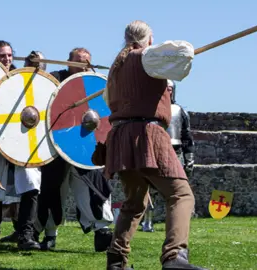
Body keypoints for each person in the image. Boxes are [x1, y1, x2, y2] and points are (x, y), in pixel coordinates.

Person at [93, 20, 206, 269]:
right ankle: (175, 256)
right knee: (181, 194)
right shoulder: (147, 56)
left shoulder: (116, 68)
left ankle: (116, 260)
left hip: (122, 136)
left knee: (135, 202)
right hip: (146, 133)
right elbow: (184, 51)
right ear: (150, 39)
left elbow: (109, 99)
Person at [34, 47, 114, 252]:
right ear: (68, 62)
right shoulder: (55, 80)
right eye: (77, 61)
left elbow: (107, 114)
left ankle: (102, 232)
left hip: (87, 147)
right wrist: (33, 67)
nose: (82, 65)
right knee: (53, 192)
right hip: (57, 145)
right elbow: (37, 90)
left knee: (93, 188)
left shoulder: (95, 83)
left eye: (86, 61)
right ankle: (49, 235)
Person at [0, 41, 42, 252]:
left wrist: (35, 69)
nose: (6, 59)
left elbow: (36, 98)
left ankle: (25, 235)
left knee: (31, 181)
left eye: (9, 55)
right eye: (1, 55)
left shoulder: (20, 79)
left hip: (21, 141)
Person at [140, 79, 196, 234]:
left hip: (175, 152)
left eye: (170, 88)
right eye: (165, 88)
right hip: (153, 151)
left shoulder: (179, 111)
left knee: (177, 190)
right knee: (147, 191)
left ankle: (176, 223)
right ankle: (146, 222)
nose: (168, 91)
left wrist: (189, 158)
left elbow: (186, 136)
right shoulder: (149, 109)